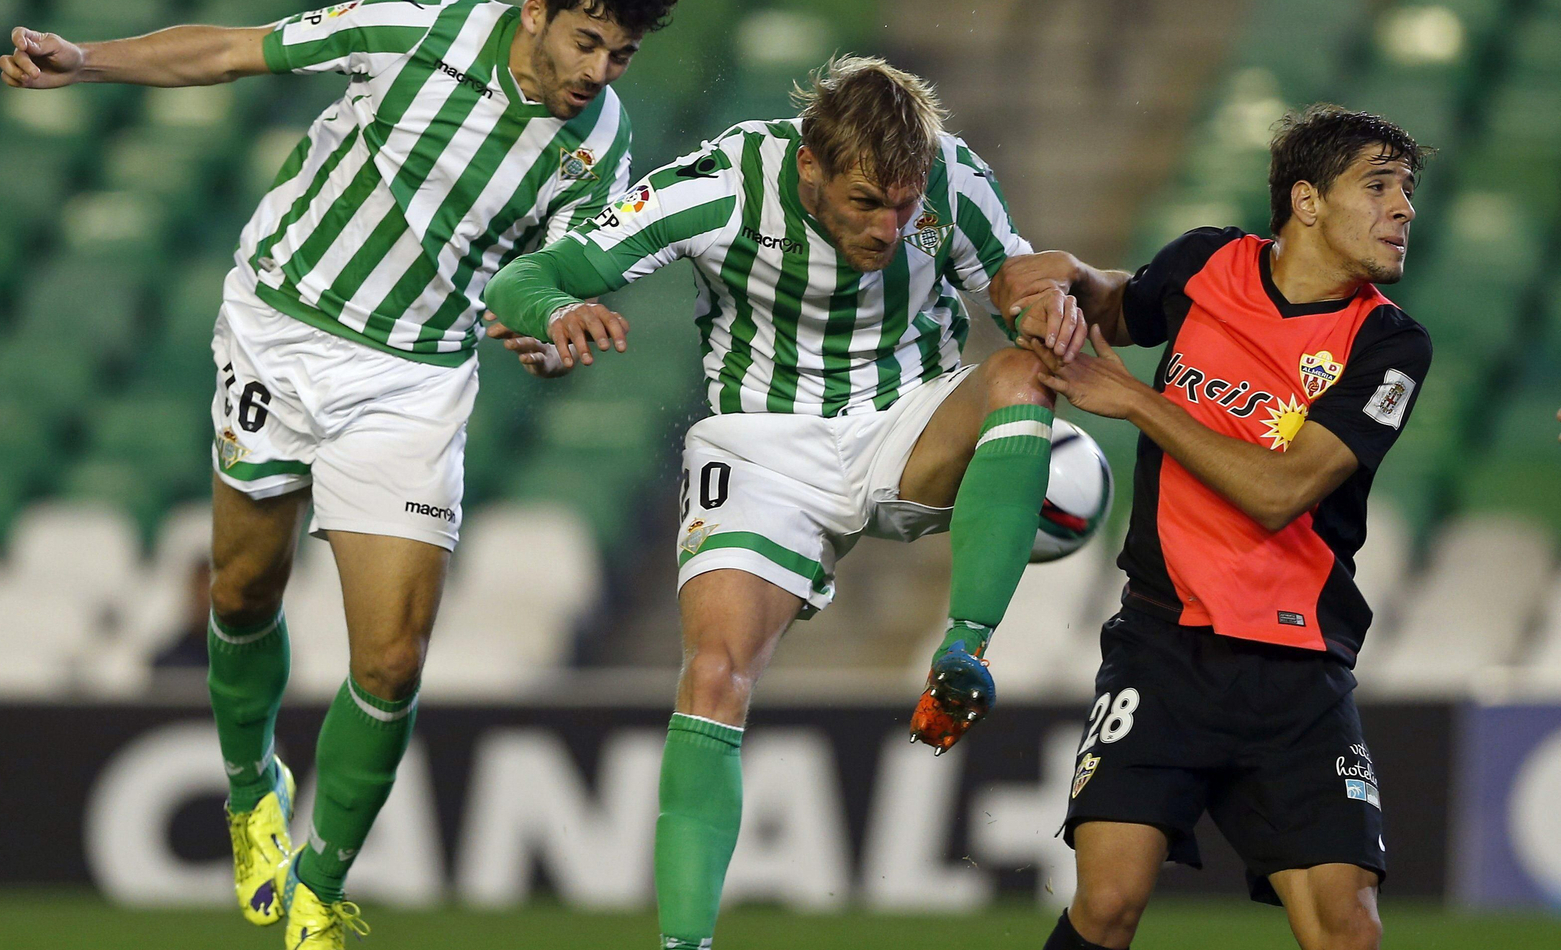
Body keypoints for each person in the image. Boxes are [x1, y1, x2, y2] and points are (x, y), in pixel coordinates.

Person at [0, 0, 680, 949]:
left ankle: (317, 889)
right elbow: (233, 49)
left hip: (412, 378)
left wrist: (542, 336)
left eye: (620, 54)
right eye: (587, 40)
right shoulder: (415, 29)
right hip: (280, 330)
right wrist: (88, 62)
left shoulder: (599, 142)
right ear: (535, 12)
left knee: (395, 657)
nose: (599, 70)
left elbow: (529, 286)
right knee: (239, 589)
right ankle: (248, 788)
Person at [485, 54, 1087, 950]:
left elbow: (1011, 281)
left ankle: (963, 653)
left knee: (1016, 375)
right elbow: (527, 279)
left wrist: (1045, 306)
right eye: (866, 203)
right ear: (809, 165)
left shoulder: (955, 174)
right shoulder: (722, 183)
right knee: (716, 674)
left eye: (905, 204)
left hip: (908, 417)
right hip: (762, 445)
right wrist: (552, 315)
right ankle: (685, 944)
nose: (890, 227)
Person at [994, 104, 1432, 950]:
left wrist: (1129, 398)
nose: (1404, 208)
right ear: (1306, 202)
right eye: (1378, 186)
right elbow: (1118, 306)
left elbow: (1282, 490)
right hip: (1163, 644)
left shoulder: (1387, 345)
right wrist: (1059, 281)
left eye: (1407, 190)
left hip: (1297, 666)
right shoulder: (1209, 263)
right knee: (1109, 902)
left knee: (1348, 931)